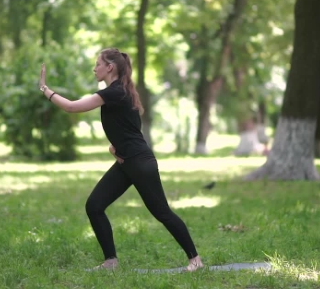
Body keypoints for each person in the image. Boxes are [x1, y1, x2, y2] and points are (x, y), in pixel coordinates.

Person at [38, 48, 203, 272]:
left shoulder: (115, 92)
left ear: (110, 67)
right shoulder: (120, 92)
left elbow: (71, 107)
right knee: (94, 205)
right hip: (127, 161)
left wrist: (45, 90)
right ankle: (111, 262)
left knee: (161, 212)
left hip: (139, 162)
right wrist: (116, 147)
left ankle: (195, 260)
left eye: (98, 64)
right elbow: (130, 129)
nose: (94, 68)